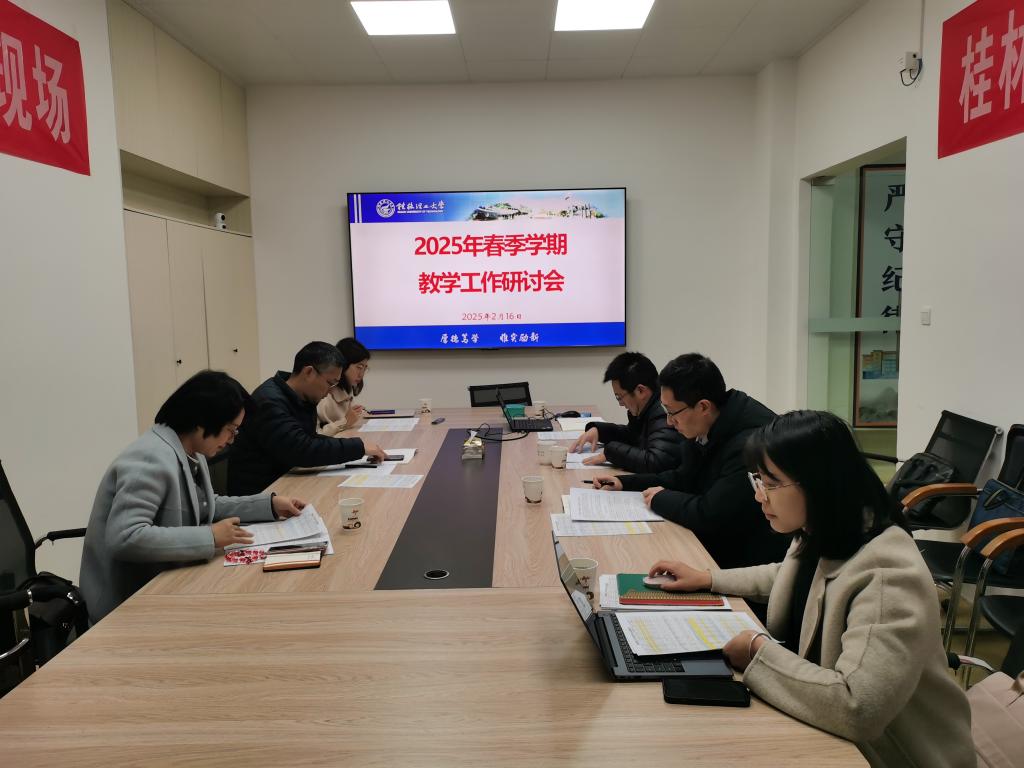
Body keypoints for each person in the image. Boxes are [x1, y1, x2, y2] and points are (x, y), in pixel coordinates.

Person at [647, 410, 975, 767]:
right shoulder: (825, 528)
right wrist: (708, 579)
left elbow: (857, 707)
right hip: (823, 729)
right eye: (758, 481)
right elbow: (788, 576)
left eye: (771, 483)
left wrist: (757, 651)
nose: (760, 497)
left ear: (819, 483)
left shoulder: (888, 574)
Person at [80, 371, 306, 624]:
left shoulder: (190, 450)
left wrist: (268, 505)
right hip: (127, 606)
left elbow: (206, 505)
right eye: (231, 430)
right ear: (201, 422)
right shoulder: (150, 458)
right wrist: (209, 536)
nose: (232, 440)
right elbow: (125, 537)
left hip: (167, 585)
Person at [593, 353, 789, 570]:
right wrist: (625, 483)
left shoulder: (749, 443)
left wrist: (659, 498)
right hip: (723, 543)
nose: (669, 422)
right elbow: (683, 477)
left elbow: (711, 514)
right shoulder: (707, 423)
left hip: (750, 561)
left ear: (703, 407)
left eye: (672, 412)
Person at [227, 342, 387, 495]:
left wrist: (357, 446)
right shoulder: (269, 401)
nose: (330, 391)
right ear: (309, 372)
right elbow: (301, 449)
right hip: (261, 494)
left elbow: (310, 438)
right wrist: (358, 447)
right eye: (330, 383)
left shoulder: (301, 397)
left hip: (288, 482)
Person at [569, 351, 682, 473]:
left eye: (620, 397)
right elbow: (633, 437)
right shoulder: (646, 408)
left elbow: (656, 462)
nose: (620, 404)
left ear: (640, 391)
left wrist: (612, 453)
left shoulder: (663, 412)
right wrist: (600, 431)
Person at [317, 337, 370, 436]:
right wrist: (345, 422)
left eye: (365, 368)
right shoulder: (324, 398)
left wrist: (356, 414)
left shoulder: (345, 394)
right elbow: (314, 436)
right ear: (343, 365)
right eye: (359, 367)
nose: (362, 374)